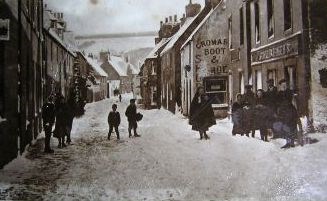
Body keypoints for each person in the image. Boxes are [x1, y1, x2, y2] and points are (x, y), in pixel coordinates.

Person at [275, 79, 302, 148]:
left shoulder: (290, 92)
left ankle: (292, 142)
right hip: (283, 112)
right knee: (285, 127)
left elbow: (294, 100)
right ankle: (288, 142)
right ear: (280, 85)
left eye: (285, 85)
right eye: (282, 85)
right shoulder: (279, 93)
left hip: (291, 111)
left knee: (292, 126)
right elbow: (277, 103)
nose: (284, 86)